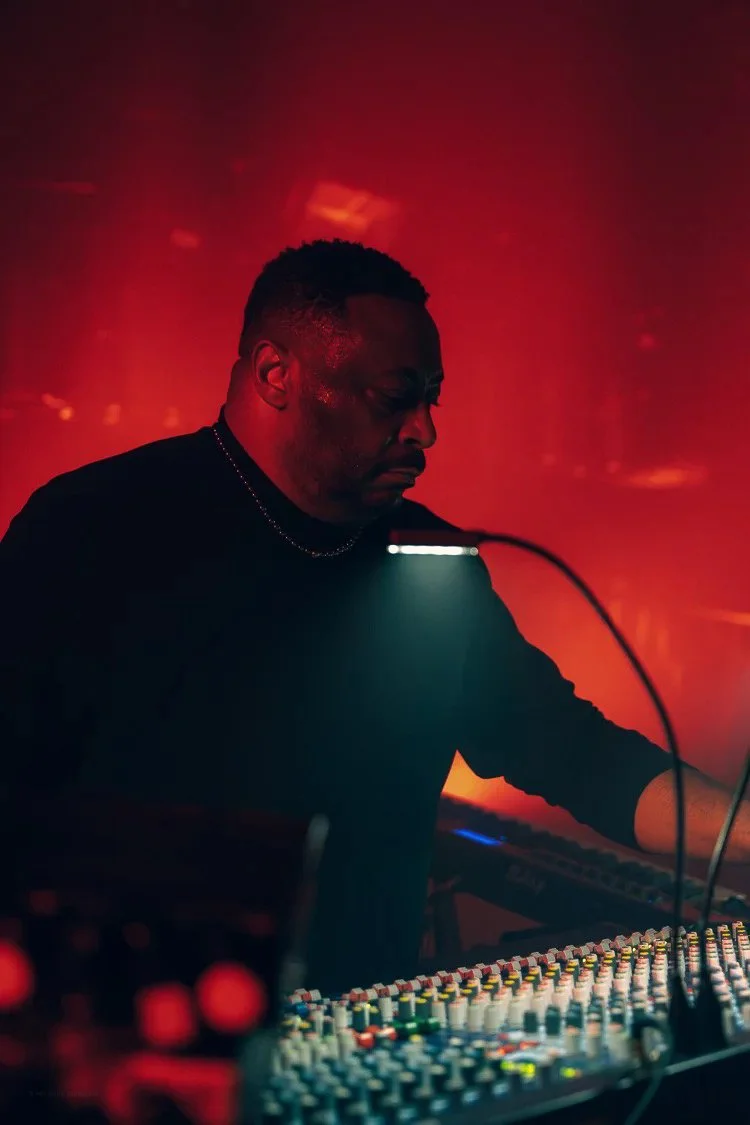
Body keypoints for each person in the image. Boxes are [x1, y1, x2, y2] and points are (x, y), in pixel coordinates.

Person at [0, 239, 747, 995]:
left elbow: (576, 752)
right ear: (275, 374)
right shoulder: (89, 530)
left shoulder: (428, 563)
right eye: (394, 397)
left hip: (361, 1021)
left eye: (432, 397)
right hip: (126, 1046)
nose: (425, 430)